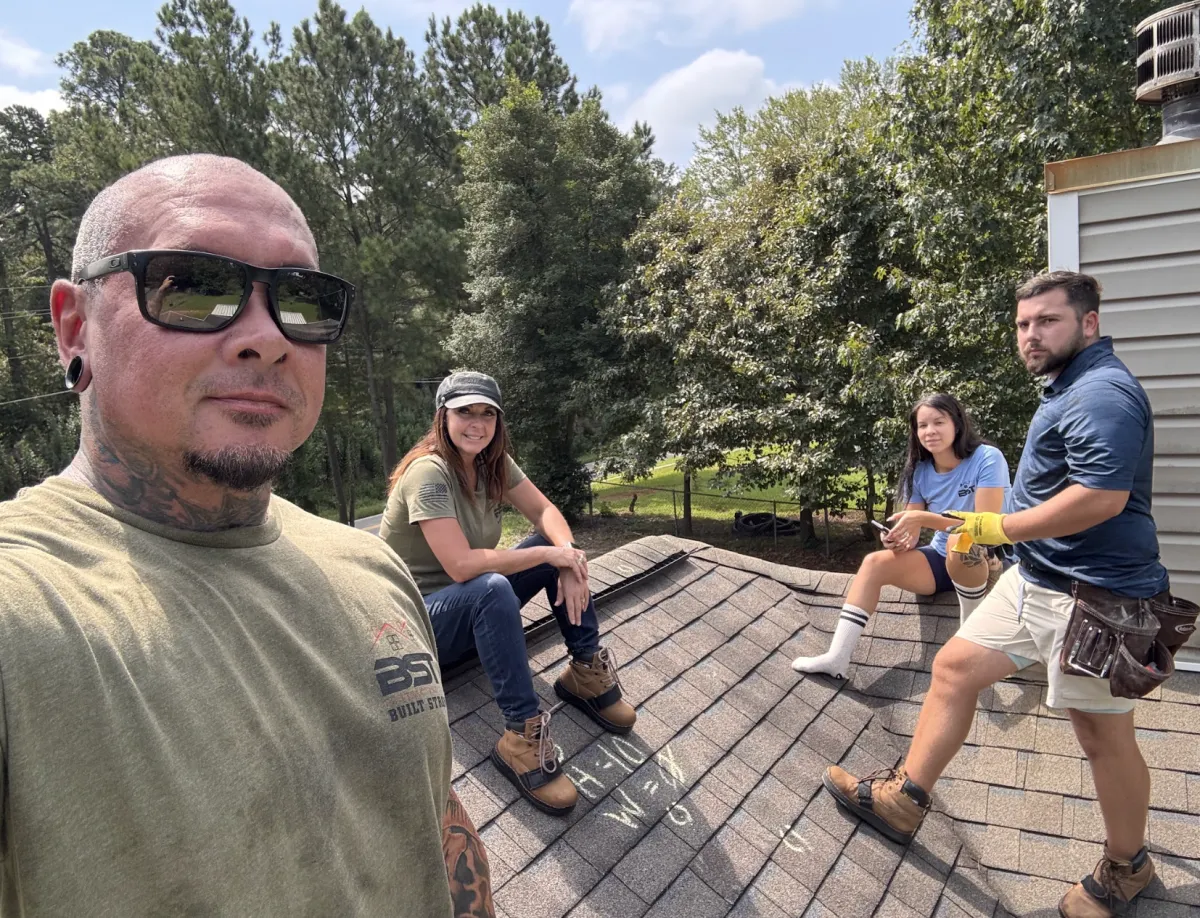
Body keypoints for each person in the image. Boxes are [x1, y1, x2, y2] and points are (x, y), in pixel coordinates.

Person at [0, 154, 491, 918]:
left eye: (302, 299)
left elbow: (433, 823)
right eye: (194, 285)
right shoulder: (23, 607)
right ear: (74, 327)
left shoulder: (371, 567)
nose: (266, 337)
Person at [823, 271, 1172, 918]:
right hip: (1036, 578)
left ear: (1089, 323)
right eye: (1023, 323)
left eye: (1048, 321)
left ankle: (1128, 866)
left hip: (1097, 598)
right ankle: (904, 797)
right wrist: (977, 528)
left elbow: (1101, 497)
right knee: (954, 668)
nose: (1031, 334)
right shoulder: (1066, 386)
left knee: (1102, 736)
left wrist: (998, 528)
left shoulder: (1103, 392)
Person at [381, 372, 635, 817]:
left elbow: (544, 511)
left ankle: (584, 670)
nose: (476, 424)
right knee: (495, 584)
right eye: (464, 412)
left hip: (468, 605)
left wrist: (569, 557)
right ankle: (520, 736)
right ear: (443, 416)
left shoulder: (491, 463)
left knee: (547, 548)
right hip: (417, 627)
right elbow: (461, 566)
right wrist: (556, 556)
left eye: (487, 414)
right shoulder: (428, 472)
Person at [791, 393, 1010, 679]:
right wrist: (897, 539)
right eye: (922, 426)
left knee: (960, 541)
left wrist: (924, 518)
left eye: (938, 422)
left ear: (957, 424)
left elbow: (986, 524)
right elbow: (911, 530)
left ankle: (970, 636)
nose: (930, 431)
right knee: (874, 563)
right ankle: (837, 658)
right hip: (941, 561)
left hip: (987, 558)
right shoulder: (920, 471)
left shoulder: (987, 457)